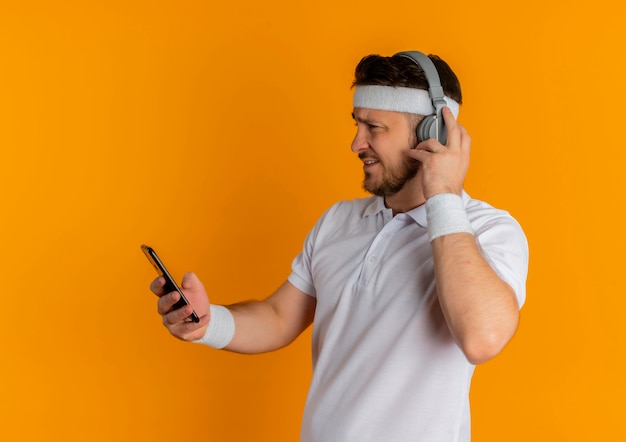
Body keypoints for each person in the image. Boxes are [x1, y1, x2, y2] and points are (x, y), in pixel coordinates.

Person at [150, 51, 529, 442]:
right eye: (356, 124)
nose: (355, 143)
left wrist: (444, 197)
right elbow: (279, 317)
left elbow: (482, 338)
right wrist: (209, 323)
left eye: (373, 127)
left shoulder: (488, 231)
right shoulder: (339, 221)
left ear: (433, 134)